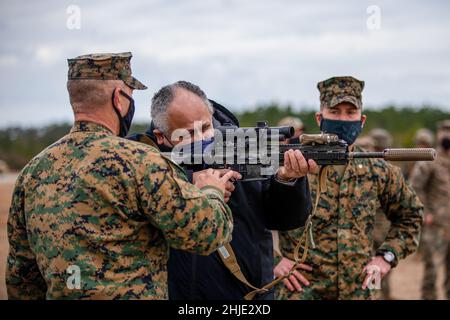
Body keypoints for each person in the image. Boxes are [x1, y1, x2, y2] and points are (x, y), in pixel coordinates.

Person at [6, 53, 235, 300]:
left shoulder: (32, 172)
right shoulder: (141, 161)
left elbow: (22, 278)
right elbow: (207, 234)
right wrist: (211, 191)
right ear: (119, 98)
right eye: (131, 95)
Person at [128, 80, 316, 300]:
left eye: (206, 127)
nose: (201, 138)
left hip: (246, 294)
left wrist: (287, 181)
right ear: (162, 136)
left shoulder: (243, 148)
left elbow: (284, 219)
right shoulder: (143, 164)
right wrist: (189, 184)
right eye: (188, 134)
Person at [275, 76, 423, 300]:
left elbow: (411, 215)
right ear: (320, 118)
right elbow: (248, 217)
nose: (343, 119)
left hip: (359, 291)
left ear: (361, 120)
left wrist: (386, 257)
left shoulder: (377, 169)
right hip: (301, 293)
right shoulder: (292, 164)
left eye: (350, 112)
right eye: (334, 112)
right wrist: (274, 260)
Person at [410, 121, 450, 300]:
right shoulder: (430, 159)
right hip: (436, 225)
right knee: (432, 268)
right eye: (444, 132)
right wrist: (425, 212)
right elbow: (415, 187)